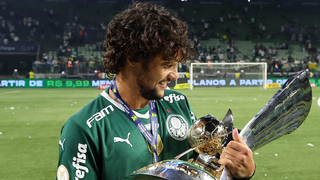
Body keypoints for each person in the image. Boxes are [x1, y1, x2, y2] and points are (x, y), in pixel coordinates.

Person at [57, 3, 255, 180]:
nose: (175, 75)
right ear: (134, 57)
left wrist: (238, 172)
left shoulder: (177, 102)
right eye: (167, 64)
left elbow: (199, 170)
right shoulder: (83, 129)